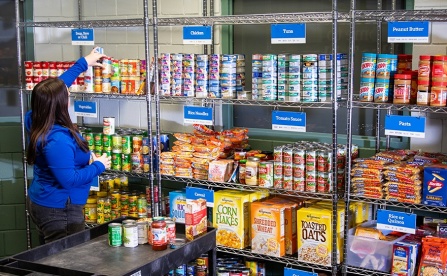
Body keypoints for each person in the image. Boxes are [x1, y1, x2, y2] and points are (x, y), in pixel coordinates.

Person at [25, 47, 111, 244]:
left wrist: (84, 63)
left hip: (44, 201)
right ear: (60, 104)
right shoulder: (58, 141)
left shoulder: (34, 118)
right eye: (67, 94)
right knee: (66, 263)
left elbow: (53, 89)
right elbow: (69, 180)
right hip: (60, 210)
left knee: (49, 259)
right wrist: (99, 166)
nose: (69, 93)